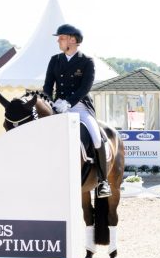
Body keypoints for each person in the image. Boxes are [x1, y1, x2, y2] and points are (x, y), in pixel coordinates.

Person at [43, 23, 110, 197]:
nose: (58, 40)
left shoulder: (86, 61)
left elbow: (85, 88)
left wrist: (69, 102)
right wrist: (49, 102)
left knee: (96, 138)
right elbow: (48, 86)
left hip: (79, 106)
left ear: (73, 40)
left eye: (62, 37)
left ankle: (103, 182)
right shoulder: (55, 60)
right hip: (58, 107)